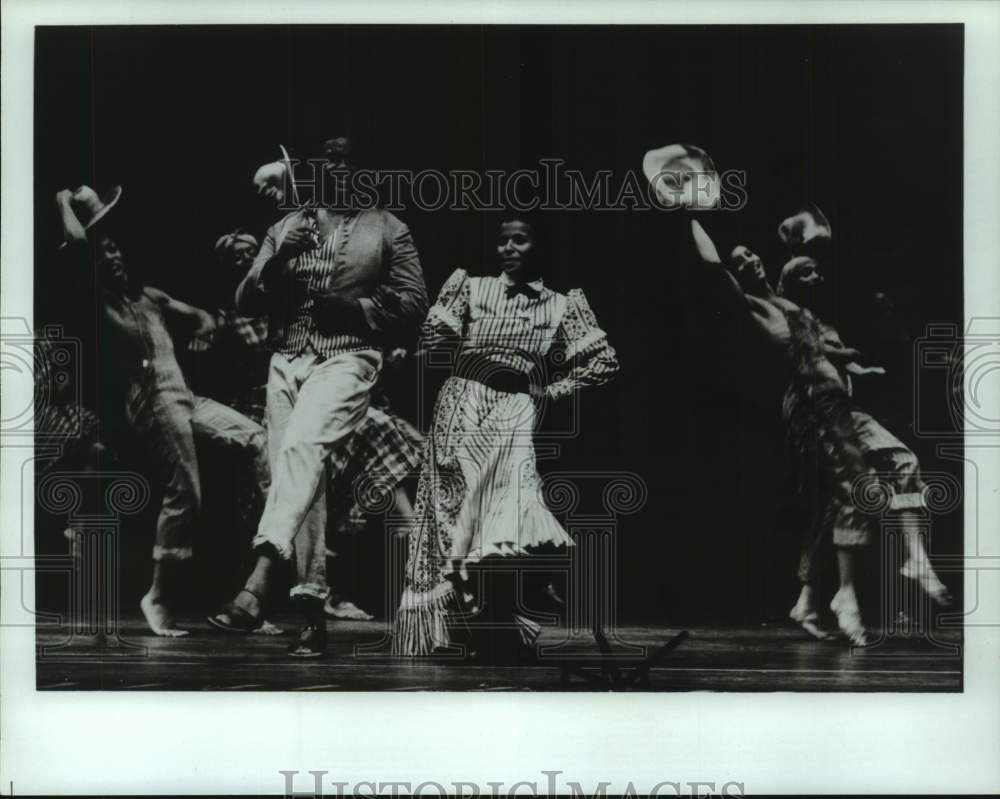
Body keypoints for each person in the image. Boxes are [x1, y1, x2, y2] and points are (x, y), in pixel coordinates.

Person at [208, 136, 429, 657]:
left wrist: (356, 310)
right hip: (286, 359)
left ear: (364, 172)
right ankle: (311, 614)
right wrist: (275, 260)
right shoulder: (285, 226)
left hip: (350, 357)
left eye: (347, 163)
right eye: (328, 163)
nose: (336, 171)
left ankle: (260, 578)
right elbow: (242, 300)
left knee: (303, 448)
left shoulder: (389, 228)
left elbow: (415, 303)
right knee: (301, 475)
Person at [692, 219, 951, 645]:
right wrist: (688, 215)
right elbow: (711, 265)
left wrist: (855, 364)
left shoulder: (796, 310)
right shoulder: (755, 307)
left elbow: (829, 348)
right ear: (737, 275)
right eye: (741, 261)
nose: (750, 259)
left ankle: (847, 585)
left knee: (898, 464)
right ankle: (844, 595)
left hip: (840, 405)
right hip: (812, 409)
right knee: (854, 489)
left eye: (752, 253)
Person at [394, 213, 620, 657]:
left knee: (507, 513)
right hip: (463, 404)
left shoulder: (563, 303)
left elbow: (604, 362)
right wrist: (425, 345)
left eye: (520, 240)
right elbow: (434, 339)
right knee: (455, 512)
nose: (509, 249)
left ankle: (507, 613)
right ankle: (464, 626)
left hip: (515, 410)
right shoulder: (470, 287)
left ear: (540, 247)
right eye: (503, 241)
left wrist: (552, 390)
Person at [54, 185, 269, 637]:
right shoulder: (101, 303)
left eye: (114, 250)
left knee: (257, 440)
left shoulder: (148, 298)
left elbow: (200, 316)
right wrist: (61, 202)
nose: (111, 258)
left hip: (186, 399)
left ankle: (259, 576)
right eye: (102, 254)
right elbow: (77, 246)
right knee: (186, 490)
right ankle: (157, 596)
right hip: (150, 403)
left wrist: (206, 327)